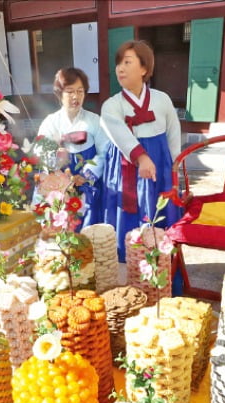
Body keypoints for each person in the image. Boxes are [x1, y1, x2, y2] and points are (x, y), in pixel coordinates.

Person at [100, 40, 181, 261]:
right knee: (128, 212)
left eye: (127, 62)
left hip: (160, 165)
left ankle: (163, 267)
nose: (120, 68)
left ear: (144, 68)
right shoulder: (111, 105)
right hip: (126, 166)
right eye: (118, 64)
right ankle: (129, 268)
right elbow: (118, 133)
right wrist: (141, 157)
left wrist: (173, 167)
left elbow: (173, 133)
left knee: (161, 210)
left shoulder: (162, 99)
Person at [36, 67, 109, 228]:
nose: (75, 96)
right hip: (59, 185)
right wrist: (55, 157)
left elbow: (105, 152)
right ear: (59, 94)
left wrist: (86, 175)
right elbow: (40, 150)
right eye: (69, 92)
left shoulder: (94, 120)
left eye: (80, 91)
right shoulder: (51, 121)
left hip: (87, 184)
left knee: (89, 229)